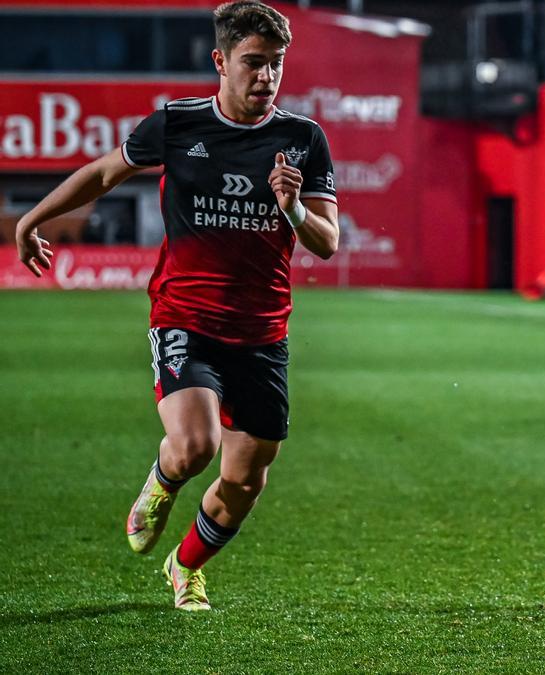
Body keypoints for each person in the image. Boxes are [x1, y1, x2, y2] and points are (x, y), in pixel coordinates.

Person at [15, 0, 339, 611]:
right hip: (184, 315)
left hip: (263, 333)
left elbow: (327, 241)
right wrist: (34, 216)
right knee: (195, 446)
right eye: (253, 63)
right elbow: (105, 172)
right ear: (220, 61)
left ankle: (185, 565)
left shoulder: (303, 140)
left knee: (245, 481)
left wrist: (293, 209)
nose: (266, 77)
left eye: (275, 64)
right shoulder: (178, 124)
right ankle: (163, 481)